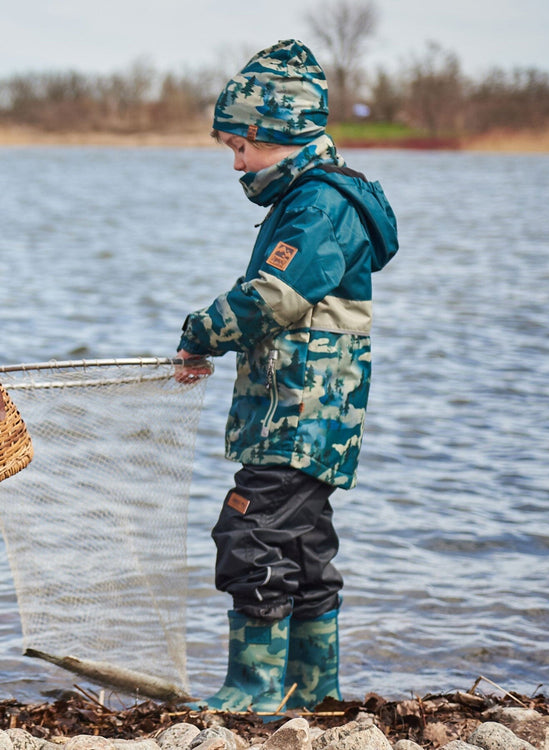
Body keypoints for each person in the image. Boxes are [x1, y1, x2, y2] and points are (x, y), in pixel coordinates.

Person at [175, 39, 398, 715]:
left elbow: (273, 297)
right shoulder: (308, 198)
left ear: (281, 135)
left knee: (251, 538)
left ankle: (253, 689)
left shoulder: (319, 207)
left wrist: (199, 332)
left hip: (298, 418)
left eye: (242, 148)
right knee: (302, 547)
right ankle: (314, 689)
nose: (237, 164)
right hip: (305, 419)